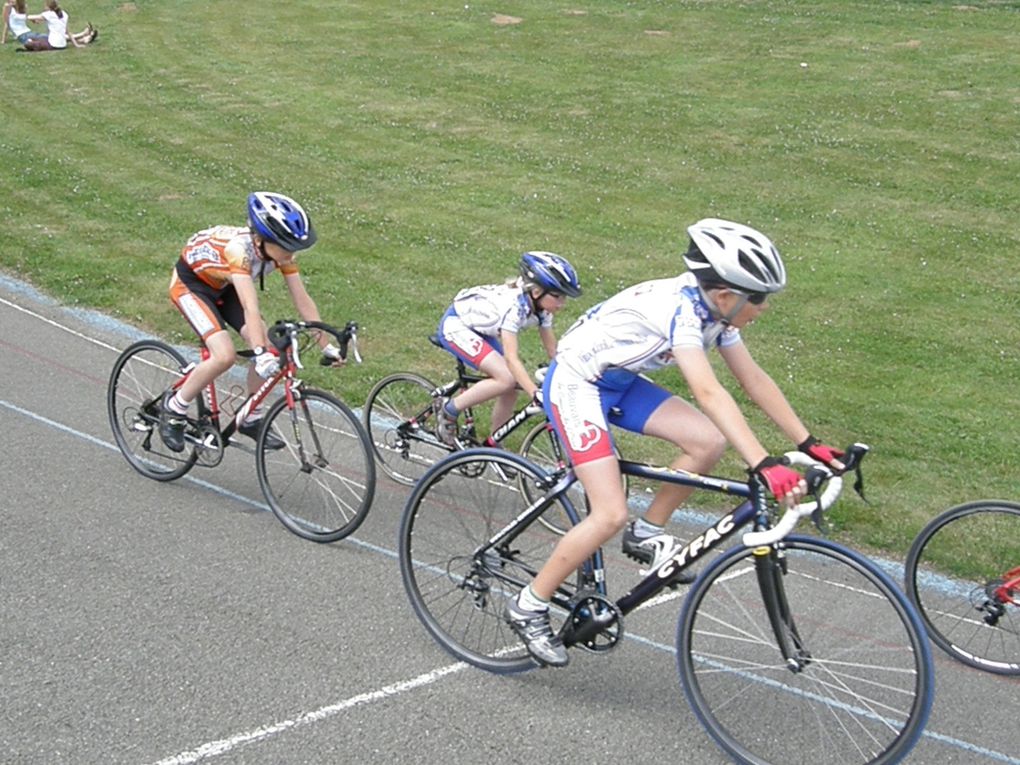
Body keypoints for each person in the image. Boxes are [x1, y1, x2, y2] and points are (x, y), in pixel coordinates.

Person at [504, 218, 847, 667]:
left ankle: (647, 533)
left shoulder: (717, 310)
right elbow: (708, 391)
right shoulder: (682, 311)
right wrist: (764, 463)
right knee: (608, 512)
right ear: (726, 293)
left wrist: (810, 441)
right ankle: (528, 605)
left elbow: (753, 380)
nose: (763, 308)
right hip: (577, 383)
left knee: (707, 442)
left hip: (619, 379)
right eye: (758, 298)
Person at [159, 192, 345, 453]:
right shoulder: (239, 251)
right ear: (262, 240)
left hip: (226, 286)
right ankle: (174, 407)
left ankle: (250, 417)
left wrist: (327, 346)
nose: (291, 254)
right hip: (192, 286)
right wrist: (259, 354)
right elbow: (250, 306)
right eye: (285, 246)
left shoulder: (280, 254)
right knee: (223, 356)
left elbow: (302, 300)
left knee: (271, 347)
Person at [434, 251, 582, 446]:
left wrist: (570, 376)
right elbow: (512, 359)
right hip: (457, 326)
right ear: (536, 292)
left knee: (512, 387)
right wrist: (534, 393)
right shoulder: (513, 308)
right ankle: (449, 410)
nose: (562, 304)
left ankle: (495, 442)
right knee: (506, 378)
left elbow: (553, 350)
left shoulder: (542, 307)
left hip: (482, 329)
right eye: (557, 296)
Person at [18, 0, 94, 51]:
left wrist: (32, 19)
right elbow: (68, 32)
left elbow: (29, 17)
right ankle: (84, 37)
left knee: (28, 43)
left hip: (53, 44)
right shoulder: (64, 14)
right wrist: (76, 45)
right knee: (37, 38)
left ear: (48, 6)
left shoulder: (49, 14)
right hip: (62, 44)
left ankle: (84, 37)